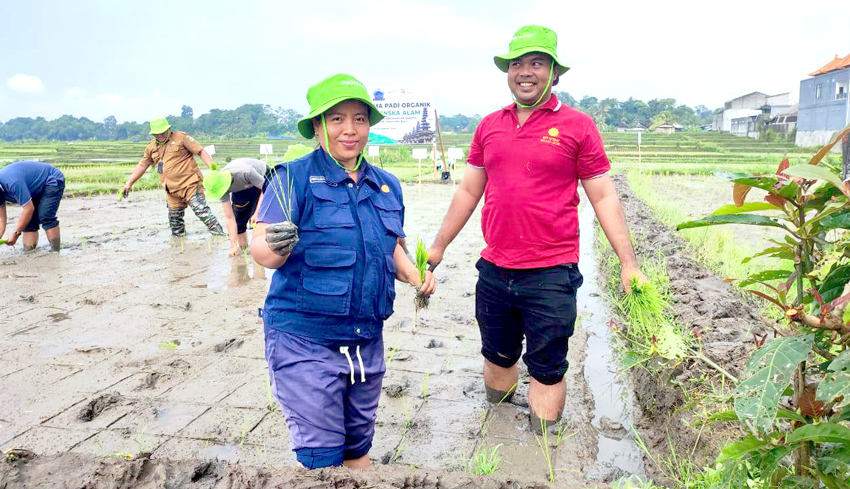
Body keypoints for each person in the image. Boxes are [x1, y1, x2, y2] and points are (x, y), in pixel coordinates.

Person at [427, 25, 646, 434]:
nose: (525, 72)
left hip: (552, 272)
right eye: (517, 64)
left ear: (554, 73)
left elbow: (603, 197)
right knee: (496, 357)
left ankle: (541, 450)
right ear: (507, 72)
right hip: (495, 269)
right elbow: (469, 190)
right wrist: (438, 248)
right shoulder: (489, 125)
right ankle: (500, 439)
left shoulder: (578, 126)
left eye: (536, 63)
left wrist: (628, 264)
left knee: (546, 369)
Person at [251, 74, 436, 469]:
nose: (349, 130)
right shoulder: (292, 178)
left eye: (359, 119)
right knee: (323, 460)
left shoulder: (386, 185)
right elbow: (261, 248)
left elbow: (391, 249)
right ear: (317, 127)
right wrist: (274, 245)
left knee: (357, 451)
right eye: (336, 119)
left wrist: (415, 276)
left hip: (366, 341)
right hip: (305, 341)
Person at [205, 146, 315, 256]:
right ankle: (244, 250)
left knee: (259, 219)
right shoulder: (219, 186)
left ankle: (259, 252)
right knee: (239, 217)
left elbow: (266, 189)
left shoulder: (245, 172)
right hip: (242, 186)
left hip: (261, 178)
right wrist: (233, 245)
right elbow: (229, 217)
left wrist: (257, 213)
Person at [122, 118, 224, 236]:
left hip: (190, 184)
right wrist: (129, 183)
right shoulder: (151, 147)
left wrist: (213, 169)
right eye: (156, 134)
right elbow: (142, 165)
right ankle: (178, 245)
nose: (160, 136)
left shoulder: (181, 137)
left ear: (168, 129)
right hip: (171, 190)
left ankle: (220, 236)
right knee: (175, 223)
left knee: (201, 211)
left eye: (162, 133)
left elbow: (201, 151)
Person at [0, 160, 66, 252]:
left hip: (51, 179)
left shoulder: (12, 183)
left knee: (46, 216)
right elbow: (1, 218)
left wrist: (16, 233)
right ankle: (29, 253)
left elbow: (28, 209)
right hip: (32, 187)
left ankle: (55, 252)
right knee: (28, 222)